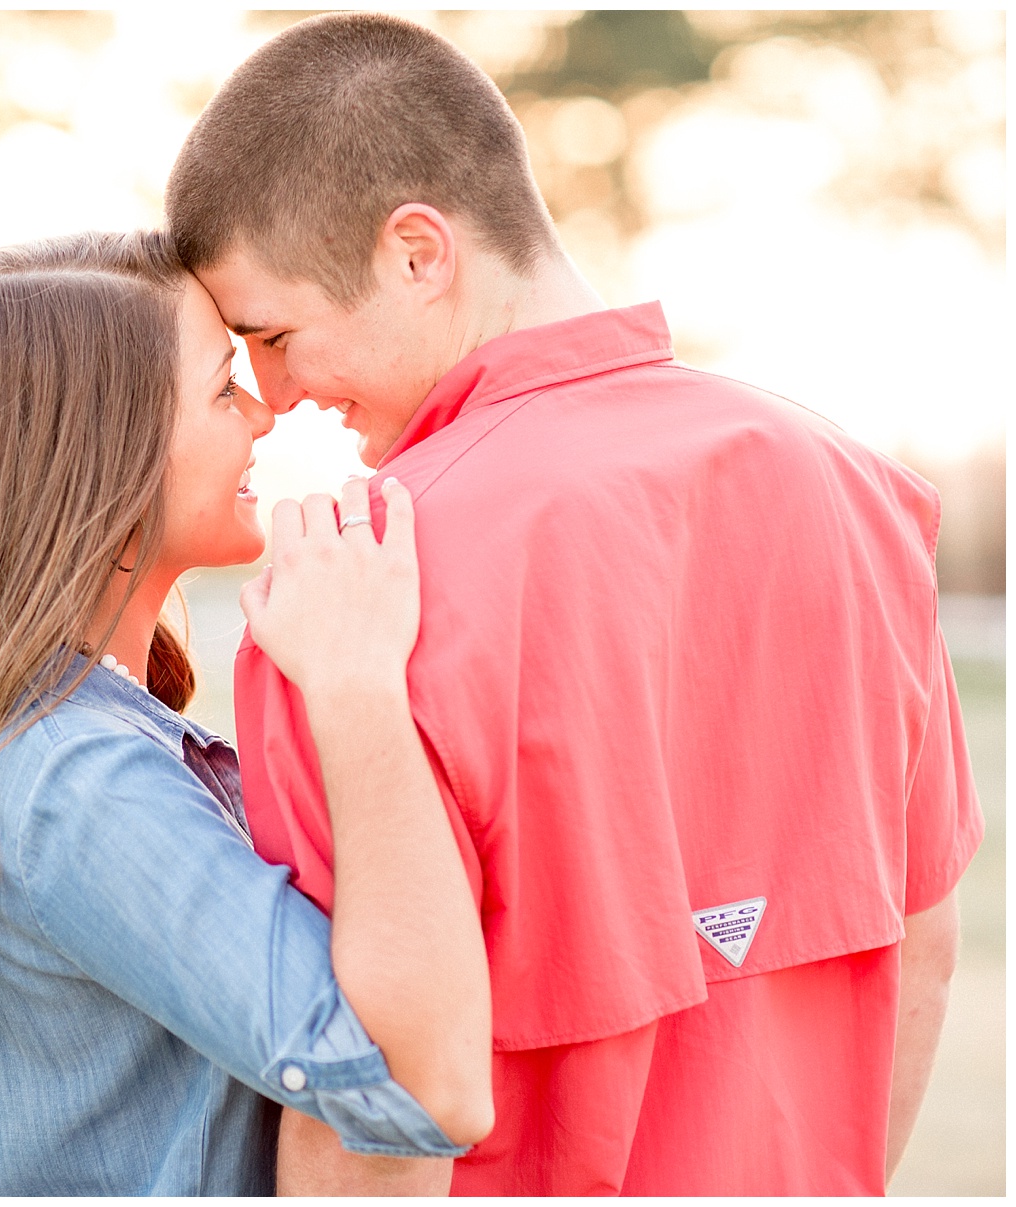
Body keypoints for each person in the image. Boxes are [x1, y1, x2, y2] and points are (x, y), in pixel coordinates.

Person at [164, 12, 982, 1197]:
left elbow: (372, 1107)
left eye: (278, 336)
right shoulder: (855, 492)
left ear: (417, 252)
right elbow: (922, 953)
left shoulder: (355, 590)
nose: (279, 396)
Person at [0, 231, 493, 1195]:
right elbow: (420, 1086)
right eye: (221, 390)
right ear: (102, 462)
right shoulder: (77, 782)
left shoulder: (43, 743)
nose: (263, 414)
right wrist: (358, 685)